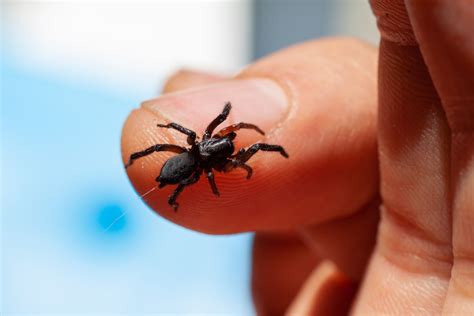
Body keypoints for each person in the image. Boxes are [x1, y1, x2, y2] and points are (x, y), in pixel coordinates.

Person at [122, 1, 473, 314]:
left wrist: (220, 164)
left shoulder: (205, 154)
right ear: (208, 140)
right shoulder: (202, 155)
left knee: (196, 161)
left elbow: (216, 154)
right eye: (225, 138)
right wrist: (195, 178)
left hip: (195, 160)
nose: (229, 141)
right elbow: (212, 158)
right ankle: (155, 171)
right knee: (182, 158)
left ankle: (159, 174)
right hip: (193, 160)